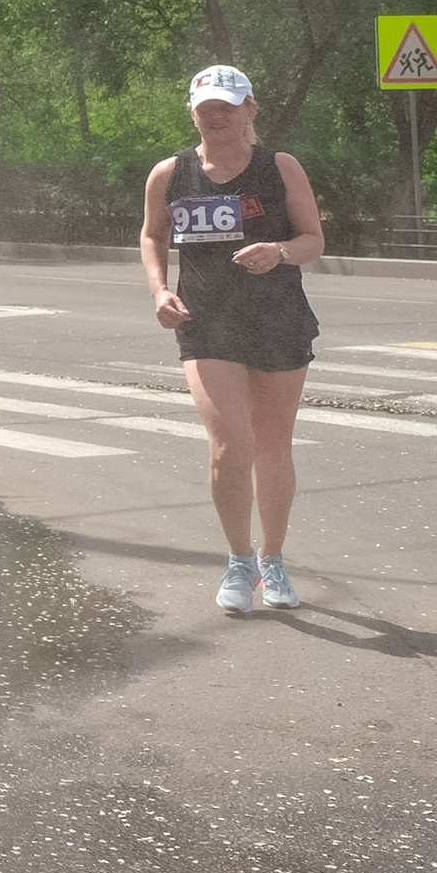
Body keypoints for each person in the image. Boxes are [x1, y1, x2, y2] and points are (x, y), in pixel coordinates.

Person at [139, 64, 324, 613]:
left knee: (272, 447)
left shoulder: (280, 167)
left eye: (228, 106)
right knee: (228, 443)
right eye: (206, 109)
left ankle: (274, 561)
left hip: (278, 318)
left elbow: (313, 238)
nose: (216, 117)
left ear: (250, 110)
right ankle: (239, 561)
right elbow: (153, 234)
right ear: (192, 114)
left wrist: (281, 252)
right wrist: (157, 290)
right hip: (207, 321)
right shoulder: (170, 173)